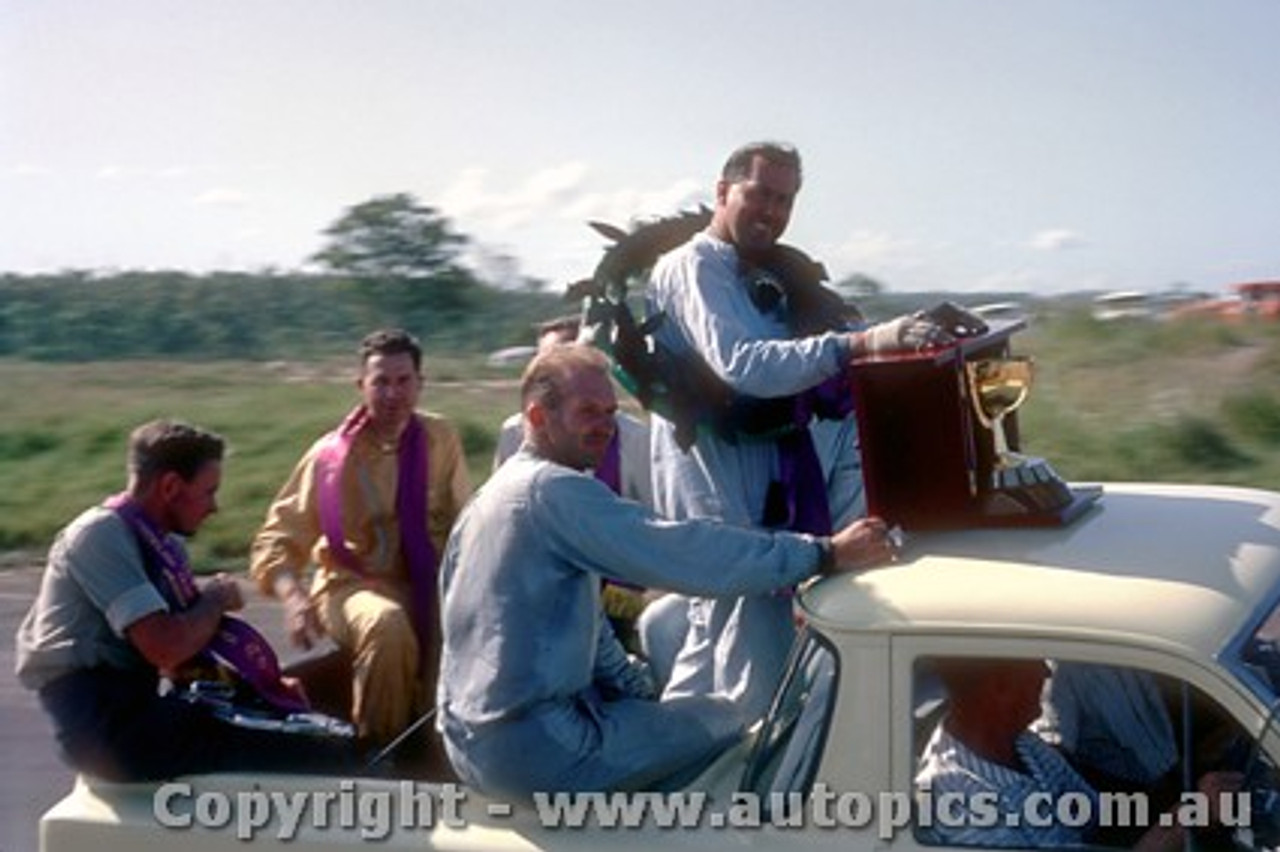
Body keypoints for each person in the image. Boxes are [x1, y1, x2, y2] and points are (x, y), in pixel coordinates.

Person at [436, 344, 898, 797]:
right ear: (537, 418)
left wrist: (639, 691)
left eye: (610, 411)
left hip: (471, 745)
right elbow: (684, 553)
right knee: (728, 717)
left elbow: (588, 627)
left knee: (668, 716)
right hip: (540, 752)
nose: (605, 427)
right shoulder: (552, 491)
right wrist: (823, 553)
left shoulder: (488, 498)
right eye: (587, 412)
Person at [645, 140, 950, 718]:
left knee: (736, 631)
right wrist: (860, 344)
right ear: (722, 191)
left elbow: (806, 353)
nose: (771, 211)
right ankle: (729, 783)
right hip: (714, 470)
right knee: (737, 631)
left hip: (767, 467)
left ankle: (703, 769)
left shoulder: (764, 272)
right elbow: (746, 364)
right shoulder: (695, 266)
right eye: (759, 194)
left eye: (784, 200)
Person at [15, 419, 356, 781]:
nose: (215, 507)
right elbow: (166, 647)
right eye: (209, 491)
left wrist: (265, 689)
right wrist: (212, 601)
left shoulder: (162, 545)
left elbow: (184, 659)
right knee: (316, 752)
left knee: (296, 721)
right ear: (170, 486)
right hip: (103, 724)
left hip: (137, 707)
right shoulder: (99, 536)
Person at [249, 328, 472, 755]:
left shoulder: (441, 439)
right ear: (361, 386)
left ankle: (449, 754)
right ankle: (379, 752)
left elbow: (467, 524)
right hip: (351, 586)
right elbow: (276, 538)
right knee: (386, 626)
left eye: (403, 381)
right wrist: (294, 599)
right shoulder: (330, 456)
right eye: (381, 382)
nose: (392, 394)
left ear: (420, 385)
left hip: (428, 582)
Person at [915, 658, 1241, 849]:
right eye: (1034, 664)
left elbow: (1097, 817)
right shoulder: (962, 803)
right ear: (1000, 686)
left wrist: (1189, 789)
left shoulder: (1023, 745)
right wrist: (1185, 820)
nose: (1046, 674)